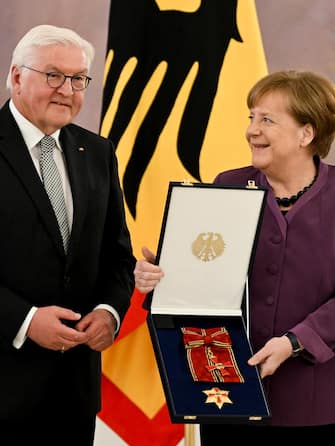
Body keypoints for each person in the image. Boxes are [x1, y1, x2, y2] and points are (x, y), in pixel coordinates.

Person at [134, 70, 335, 440]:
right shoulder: (227, 184)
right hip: (226, 394)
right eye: (251, 117)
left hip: (315, 402)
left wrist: (297, 340)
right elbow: (201, 279)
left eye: (267, 120)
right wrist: (160, 278)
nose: (251, 130)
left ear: (306, 134)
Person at [0, 24, 136, 446]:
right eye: (54, 75)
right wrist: (24, 321)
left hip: (72, 392)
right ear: (17, 75)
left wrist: (110, 312)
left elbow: (118, 256)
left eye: (78, 79)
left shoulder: (97, 152)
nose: (67, 90)